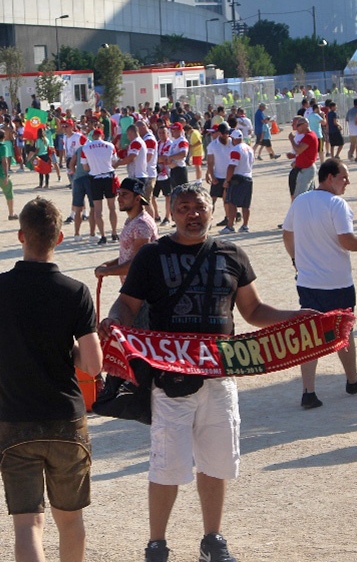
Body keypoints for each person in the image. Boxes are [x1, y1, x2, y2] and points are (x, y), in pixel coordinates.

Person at [99, 183, 303, 562]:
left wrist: (299, 318)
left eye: (200, 206)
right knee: (167, 463)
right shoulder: (152, 256)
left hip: (220, 376)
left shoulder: (232, 253)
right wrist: (114, 322)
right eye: (184, 207)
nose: (192, 214)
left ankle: (213, 539)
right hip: (169, 378)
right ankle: (156, 544)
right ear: (171, 212)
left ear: (212, 210)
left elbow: (254, 311)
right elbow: (126, 304)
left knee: (216, 461)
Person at [0, 197, 102, 562]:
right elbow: (92, 364)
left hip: (16, 420)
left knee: (28, 525)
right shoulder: (76, 292)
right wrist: (68, 349)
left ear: (21, 235)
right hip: (66, 420)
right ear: (59, 237)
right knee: (70, 521)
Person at [282, 159, 357, 409]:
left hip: (307, 282)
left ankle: (308, 391)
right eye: (343, 177)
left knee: (310, 336)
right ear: (328, 177)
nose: (347, 182)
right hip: (336, 282)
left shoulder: (301, 200)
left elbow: (287, 233)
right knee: (343, 332)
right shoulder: (337, 204)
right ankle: (352, 379)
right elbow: (347, 240)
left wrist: (296, 259)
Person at [95, 178, 158, 284]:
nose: (119, 199)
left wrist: (107, 271)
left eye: (124, 194)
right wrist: (108, 265)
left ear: (137, 199)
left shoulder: (141, 225)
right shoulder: (131, 220)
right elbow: (128, 256)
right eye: (119, 194)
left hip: (142, 290)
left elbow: (138, 263)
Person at [80, 128, 118, 245]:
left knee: (98, 210)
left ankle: (102, 235)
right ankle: (114, 233)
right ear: (102, 135)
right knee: (112, 207)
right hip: (108, 177)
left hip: (95, 178)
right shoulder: (110, 146)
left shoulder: (85, 148)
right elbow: (114, 162)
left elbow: (85, 167)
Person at [221, 129, 254, 233]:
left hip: (238, 178)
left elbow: (232, 166)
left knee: (232, 202)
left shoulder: (235, 150)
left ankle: (230, 226)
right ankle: (245, 225)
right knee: (246, 204)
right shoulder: (249, 149)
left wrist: (227, 180)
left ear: (233, 138)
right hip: (248, 176)